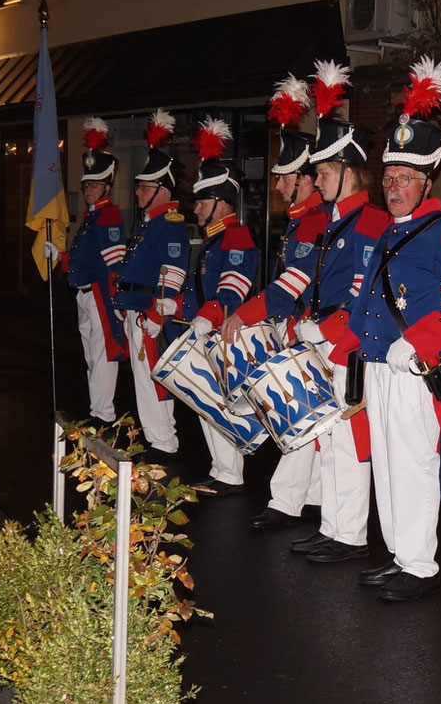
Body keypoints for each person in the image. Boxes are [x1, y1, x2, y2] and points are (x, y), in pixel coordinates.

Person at [320, 58, 441, 601]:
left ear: (427, 181)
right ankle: (397, 554)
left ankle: (419, 564)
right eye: (389, 179)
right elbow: (365, 301)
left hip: (414, 370)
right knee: (388, 466)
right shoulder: (386, 233)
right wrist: (344, 346)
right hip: (374, 366)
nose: (393, 187)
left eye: (405, 179)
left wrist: (416, 343)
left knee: (413, 467)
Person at [283, 63, 389, 564]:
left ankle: (348, 533)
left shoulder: (370, 222)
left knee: (349, 441)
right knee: (329, 436)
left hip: (349, 346)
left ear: (349, 171)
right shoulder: (333, 220)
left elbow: (361, 294)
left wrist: (322, 330)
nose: (316, 180)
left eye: (323, 173)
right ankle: (331, 525)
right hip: (325, 342)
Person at [230, 75, 330, 531]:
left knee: (297, 414)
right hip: (302, 326)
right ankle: (310, 498)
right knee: (313, 424)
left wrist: (246, 313)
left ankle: (286, 501)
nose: (277, 186)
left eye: (285, 177)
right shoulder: (300, 220)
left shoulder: (313, 222)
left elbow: (293, 282)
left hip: (318, 329)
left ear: (307, 179)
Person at [183, 117, 258, 495]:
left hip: (222, 333)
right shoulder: (214, 238)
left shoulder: (236, 236)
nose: (195, 208)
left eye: (201, 201)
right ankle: (219, 468)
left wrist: (206, 318)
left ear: (220, 202)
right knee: (205, 402)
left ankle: (230, 472)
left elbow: (232, 289)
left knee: (220, 402)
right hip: (204, 329)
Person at [111, 110, 191, 458]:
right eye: (140, 186)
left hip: (149, 313)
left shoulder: (169, 224)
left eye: (146, 187)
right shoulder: (148, 223)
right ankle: (155, 436)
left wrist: (158, 314)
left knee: (154, 378)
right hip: (134, 308)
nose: (139, 191)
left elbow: (172, 273)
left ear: (163, 189)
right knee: (143, 379)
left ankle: (164, 440)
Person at [60, 117, 127, 425]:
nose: (88, 188)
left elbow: (114, 264)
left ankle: (103, 413)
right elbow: (85, 257)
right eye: (86, 183)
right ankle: (96, 408)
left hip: (100, 294)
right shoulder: (92, 217)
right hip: (83, 293)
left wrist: (116, 304)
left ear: (107, 186)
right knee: (91, 356)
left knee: (102, 356)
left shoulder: (109, 216)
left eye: (95, 184)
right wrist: (60, 258)